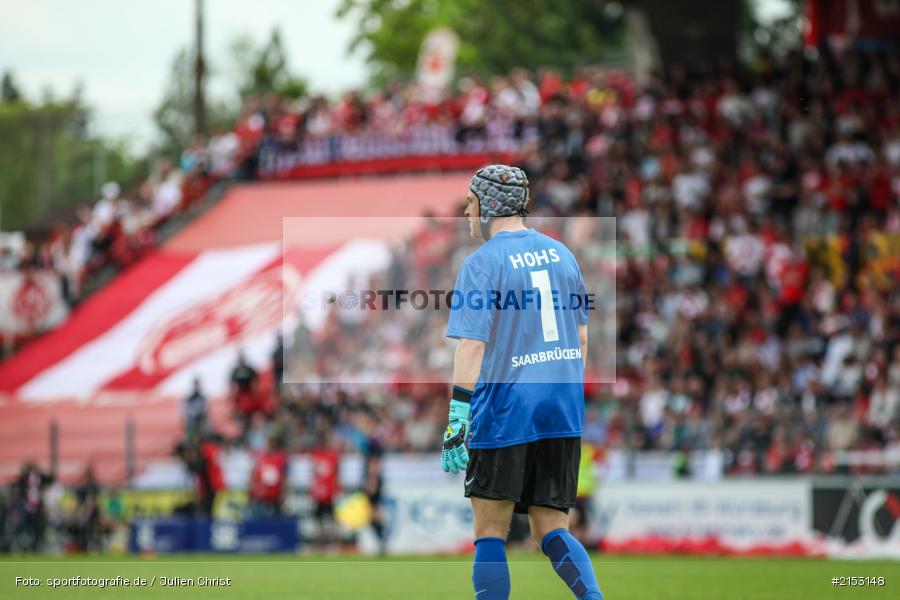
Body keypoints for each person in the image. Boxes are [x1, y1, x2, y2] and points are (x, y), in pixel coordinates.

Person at [443, 165, 602, 599]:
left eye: (471, 202)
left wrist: (457, 419)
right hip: (561, 408)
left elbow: (471, 346)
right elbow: (581, 337)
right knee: (551, 527)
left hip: (507, 407)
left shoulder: (482, 263)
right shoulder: (562, 254)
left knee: (490, 530)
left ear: (488, 204)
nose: (467, 211)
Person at [248, 434, 288, 517]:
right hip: (261, 494)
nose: (270, 446)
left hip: (275, 494)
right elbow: (254, 474)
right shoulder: (260, 457)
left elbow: (284, 477)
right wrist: (252, 489)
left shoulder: (281, 458)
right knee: (258, 517)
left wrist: (283, 493)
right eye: (269, 443)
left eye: (272, 443)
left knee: (275, 517)